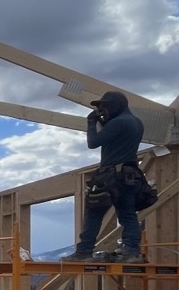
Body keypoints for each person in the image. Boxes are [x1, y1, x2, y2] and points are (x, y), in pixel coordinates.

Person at [61, 90, 147, 263]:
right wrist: (104, 121)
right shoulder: (136, 123)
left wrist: (91, 122)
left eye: (105, 107)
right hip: (129, 175)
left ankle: (84, 251)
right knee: (128, 214)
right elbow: (117, 139)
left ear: (115, 105)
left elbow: (93, 142)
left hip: (111, 176)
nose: (103, 111)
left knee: (94, 212)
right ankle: (131, 251)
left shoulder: (118, 123)